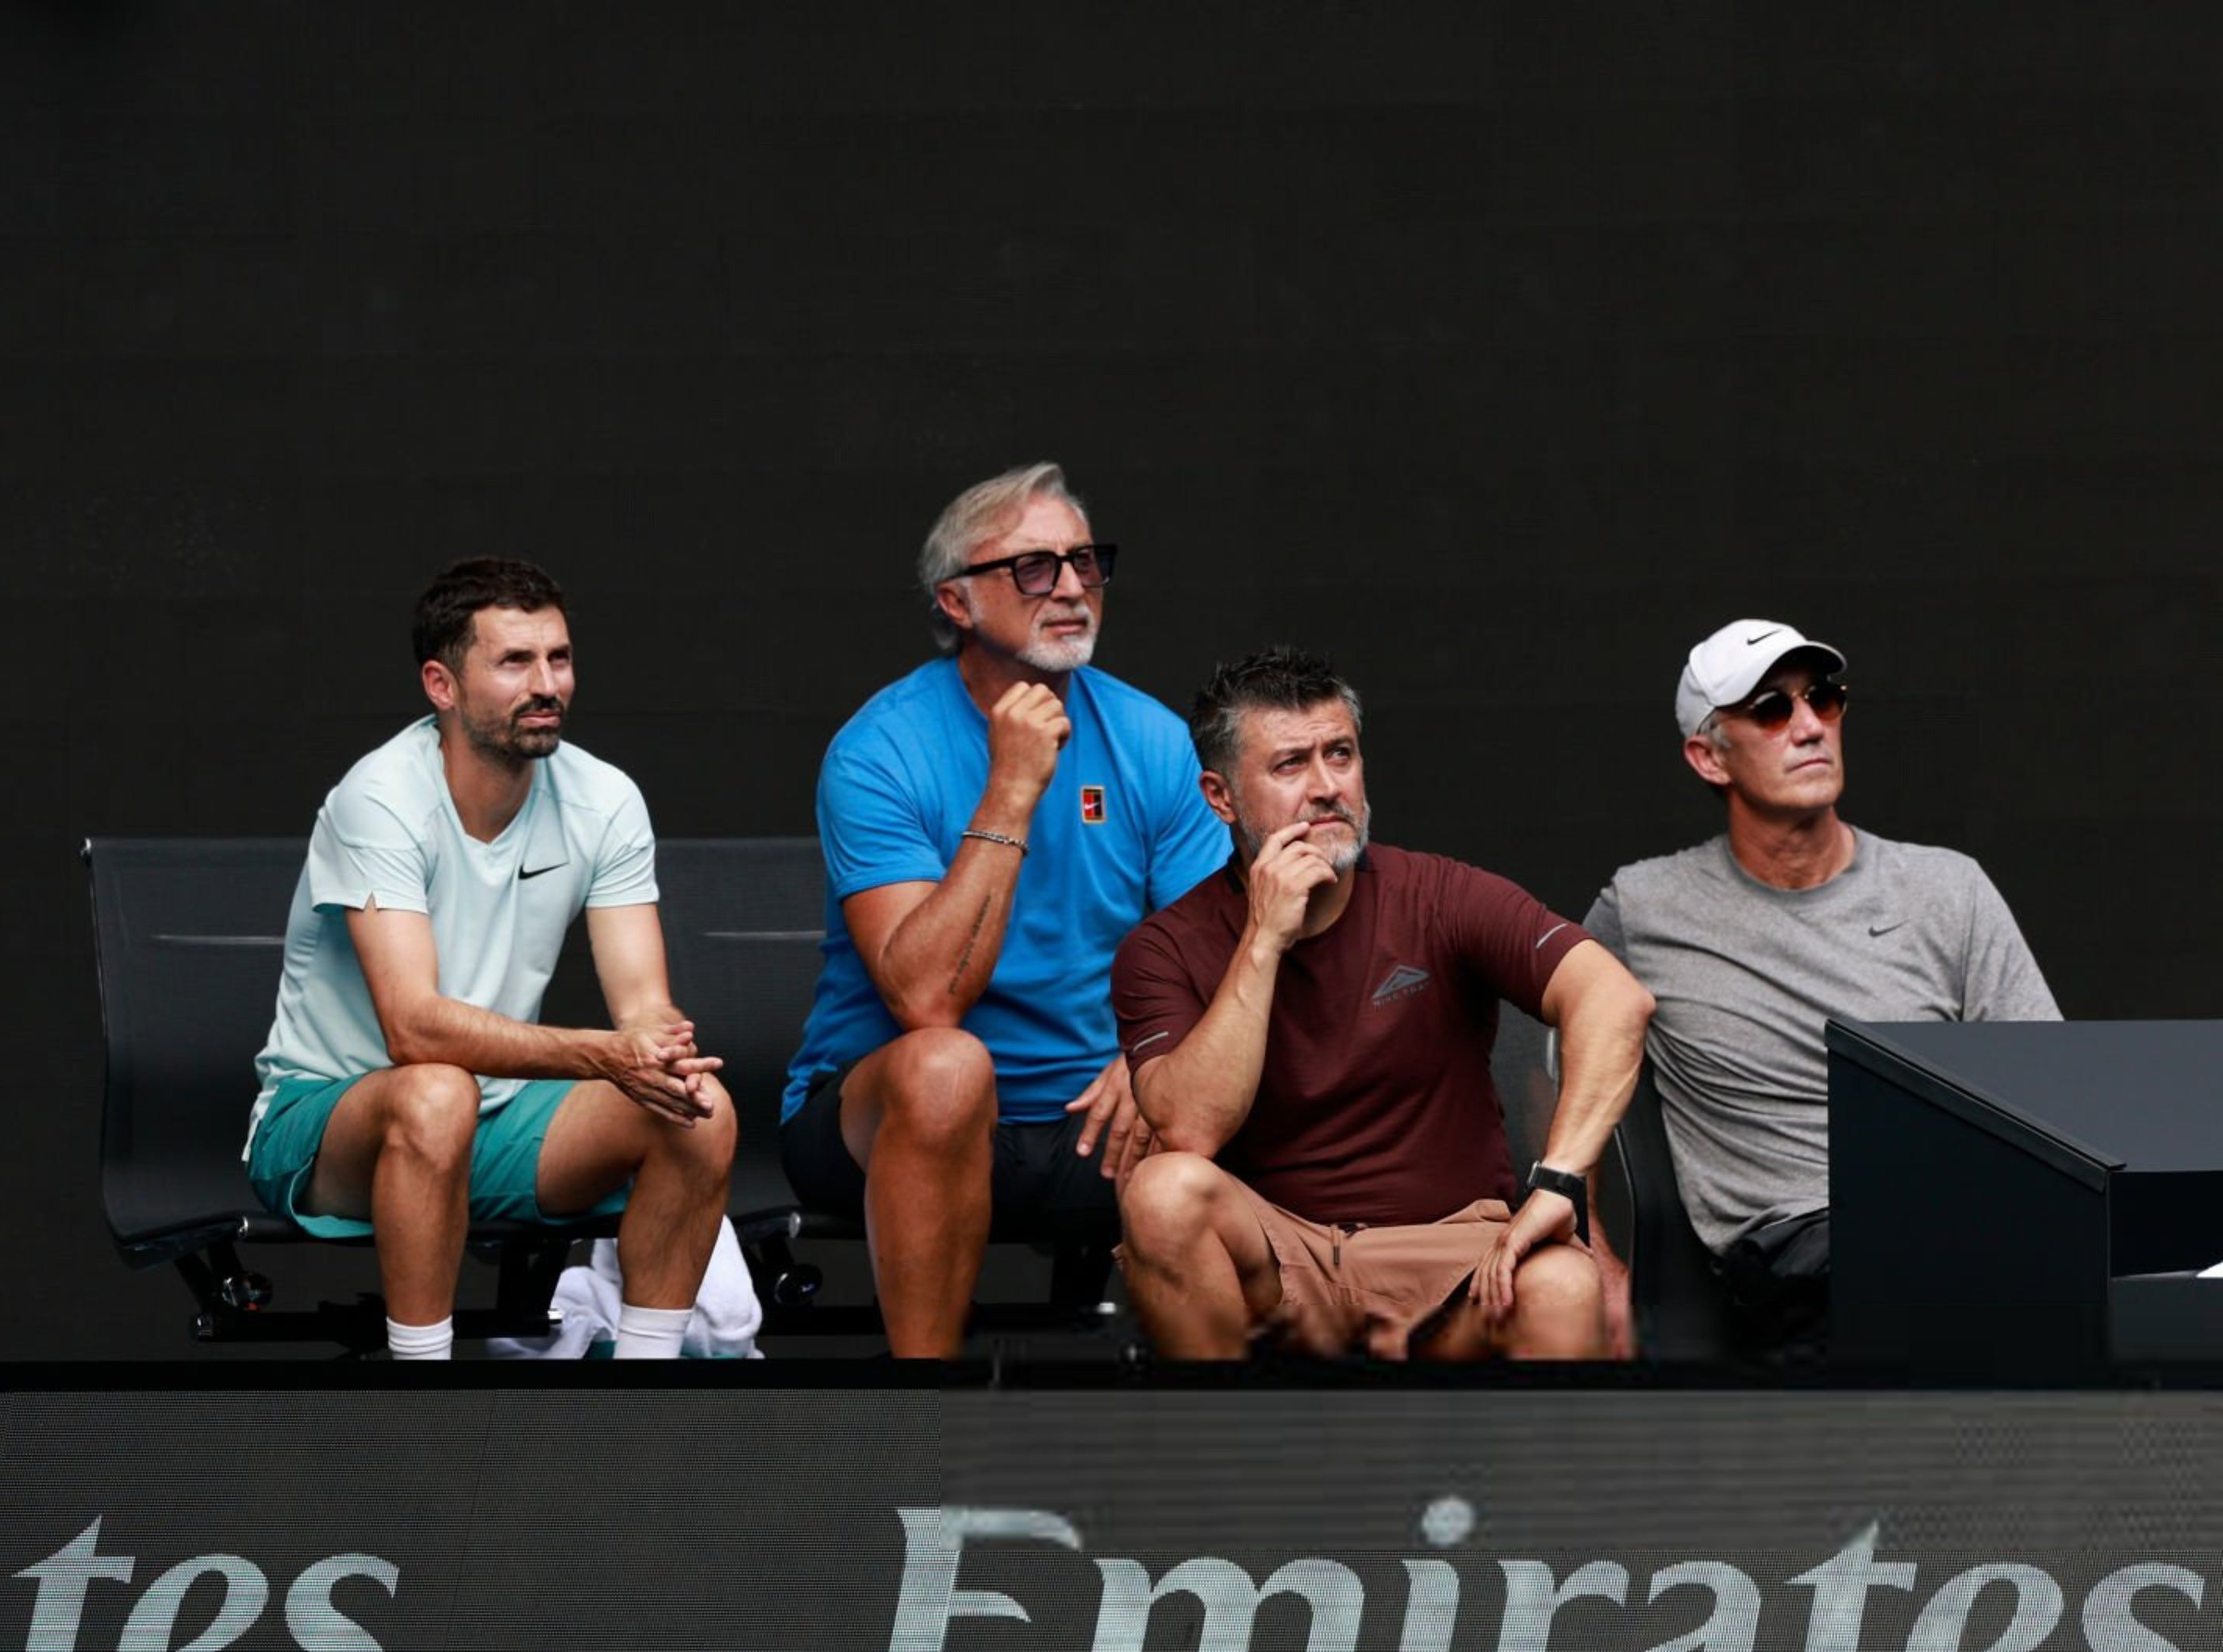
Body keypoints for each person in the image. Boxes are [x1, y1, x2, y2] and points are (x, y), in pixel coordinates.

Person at [780, 463, 1228, 1355]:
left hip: (1096, 1119)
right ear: (955, 603)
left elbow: (1221, 947)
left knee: (1247, 1071)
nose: (1069, 588)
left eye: (1083, 562)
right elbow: (926, 1002)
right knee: (947, 1066)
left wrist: (1161, 1060)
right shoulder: (879, 751)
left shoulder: (1150, 740)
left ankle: (1211, 1455)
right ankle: (925, 1426)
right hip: (892, 1118)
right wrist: (1010, 791)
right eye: (1031, 568)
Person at [246, 556, 734, 1360]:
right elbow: (414, 1029)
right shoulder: (379, 798)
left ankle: (646, 1397)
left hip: (496, 1119)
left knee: (699, 1108)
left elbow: (643, 1001)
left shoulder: (605, 798)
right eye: (515, 662)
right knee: (435, 1092)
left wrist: (655, 1049)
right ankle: (423, 1398)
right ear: (442, 686)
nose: (548, 684)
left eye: (559, 658)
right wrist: (601, 1055)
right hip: (326, 1125)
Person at [1115, 648, 1655, 1361]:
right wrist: (1264, 939)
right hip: (1280, 1260)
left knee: (1562, 1282)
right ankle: (1233, 1456)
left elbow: (1615, 1000)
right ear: (1220, 797)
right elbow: (1189, 1130)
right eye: (1289, 766)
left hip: (1455, 1256)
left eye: (1340, 754)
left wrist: (1557, 1182)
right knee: (1162, 1191)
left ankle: (1513, 1478)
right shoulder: (1164, 948)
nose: (1325, 787)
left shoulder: (1441, 895)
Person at [1586, 620, 2057, 1353]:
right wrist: (1596, 1253)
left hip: (1958, 1225)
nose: (1809, 726)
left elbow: (2053, 1090)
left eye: (1824, 700)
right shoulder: (1643, 910)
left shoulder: (1947, 888)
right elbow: (1551, 1066)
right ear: (1709, 757)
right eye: (1773, 709)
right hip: (1797, 1252)